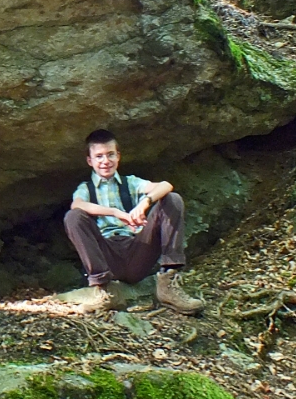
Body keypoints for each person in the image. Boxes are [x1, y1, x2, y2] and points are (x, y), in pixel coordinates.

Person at [64, 128, 204, 315]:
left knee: (172, 199)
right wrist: (115, 212)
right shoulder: (86, 189)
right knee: (73, 217)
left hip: (137, 251)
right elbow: (77, 205)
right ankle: (105, 290)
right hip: (107, 255)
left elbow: (166, 185)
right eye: (99, 156)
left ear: (118, 156)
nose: (105, 161)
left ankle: (168, 283)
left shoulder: (130, 182)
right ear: (90, 161)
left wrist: (144, 203)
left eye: (110, 154)